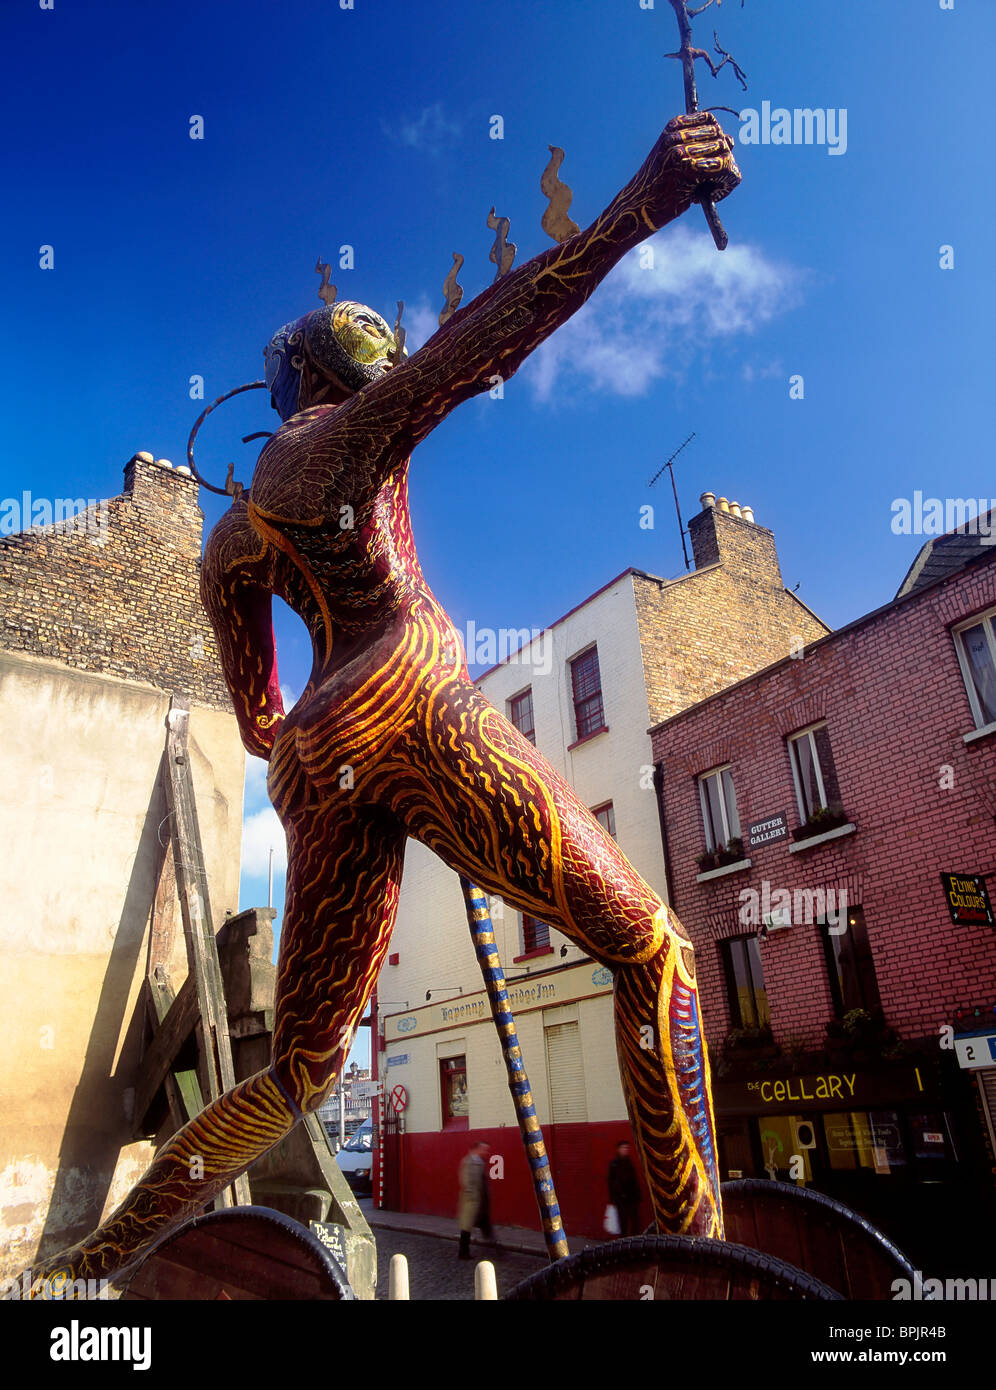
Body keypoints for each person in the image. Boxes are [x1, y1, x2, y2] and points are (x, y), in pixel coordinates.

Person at [24, 111, 739, 1294]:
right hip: (413, 691)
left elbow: (255, 713)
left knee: (297, 1070)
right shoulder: (361, 436)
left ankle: (96, 1261)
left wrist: (316, 746)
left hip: (318, 755)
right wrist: (642, 203)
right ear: (341, 374)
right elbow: (491, 335)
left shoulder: (234, 539)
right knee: (652, 949)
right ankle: (710, 1281)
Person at [457, 1140, 493, 1259]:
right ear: (477, 1148)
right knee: (466, 1228)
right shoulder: (469, 1161)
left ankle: (495, 1249)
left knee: (483, 1226)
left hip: (480, 1201)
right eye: (484, 1149)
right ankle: (463, 1253)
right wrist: (473, 1197)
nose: (486, 1152)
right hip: (472, 1201)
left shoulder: (479, 1161)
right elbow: (467, 1181)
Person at [608, 1140, 642, 1237]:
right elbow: (611, 1183)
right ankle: (623, 1245)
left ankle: (634, 1243)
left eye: (627, 1148)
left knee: (636, 1223)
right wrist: (614, 1199)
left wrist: (638, 1196)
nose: (625, 1150)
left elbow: (634, 1180)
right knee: (623, 1224)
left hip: (632, 1199)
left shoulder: (629, 1162)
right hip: (621, 1200)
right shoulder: (614, 1164)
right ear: (618, 1149)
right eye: (623, 1148)